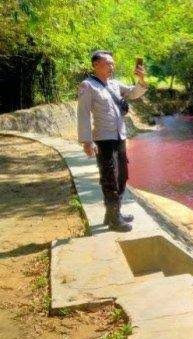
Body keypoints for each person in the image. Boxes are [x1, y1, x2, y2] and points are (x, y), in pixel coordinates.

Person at [77, 50, 147, 232]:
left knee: (122, 175)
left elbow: (133, 93)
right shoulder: (88, 86)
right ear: (95, 65)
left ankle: (114, 213)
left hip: (120, 136)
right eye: (108, 63)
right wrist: (86, 141)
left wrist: (141, 80)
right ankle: (114, 219)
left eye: (112, 64)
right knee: (109, 179)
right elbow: (83, 114)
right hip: (103, 139)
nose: (111, 67)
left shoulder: (115, 84)